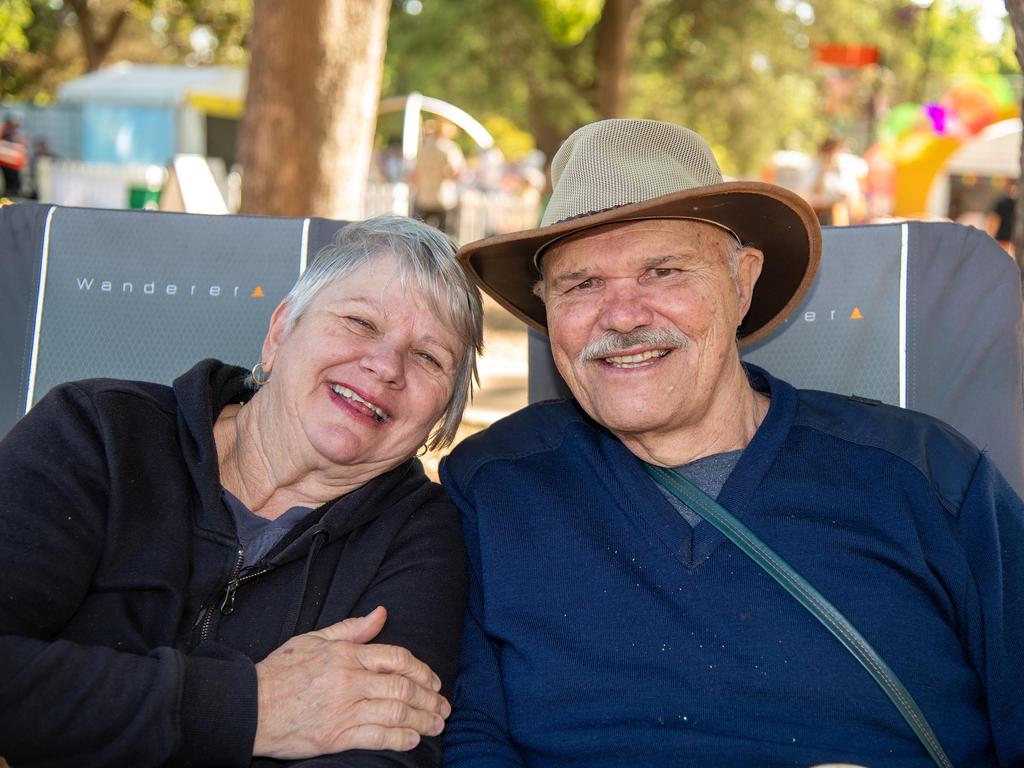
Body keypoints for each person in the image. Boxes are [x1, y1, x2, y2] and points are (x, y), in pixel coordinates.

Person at [440, 119, 1024, 766]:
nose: (624, 315)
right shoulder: (493, 485)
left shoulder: (925, 477)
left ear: (741, 282)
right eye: (583, 284)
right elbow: (470, 737)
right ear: (548, 308)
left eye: (662, 271)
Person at [0, 215, 484, 767]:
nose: (385, 365)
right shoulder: (96, 433)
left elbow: (386, 749)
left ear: (441, 414)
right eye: (360, 322)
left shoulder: (422, 537)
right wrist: (252, 708)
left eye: (428, 357)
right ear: (280, 333)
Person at [411, 120, 465, 236]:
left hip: (423, 198)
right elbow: (453, 172)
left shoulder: (422, 148)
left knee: (421, 235)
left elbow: (414, 174)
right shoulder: (449, 148)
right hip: (444, 198)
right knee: (445, 236)